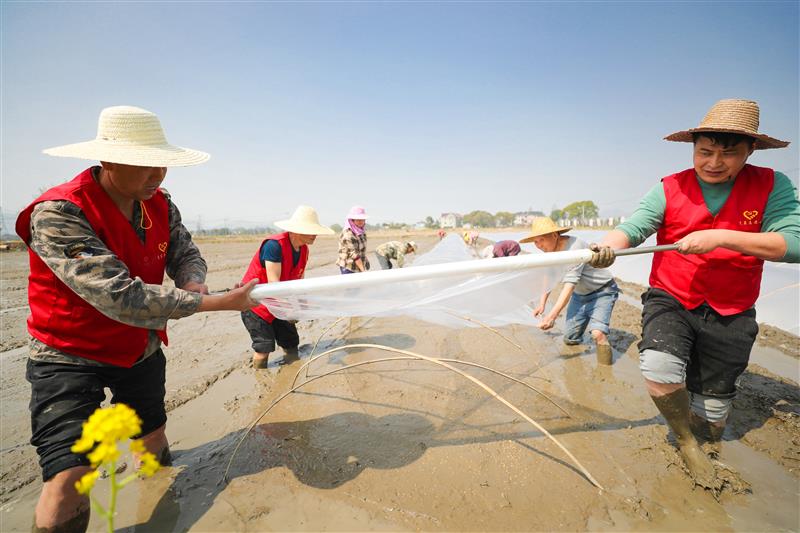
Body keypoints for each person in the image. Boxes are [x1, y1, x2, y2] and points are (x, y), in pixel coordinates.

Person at [15, 106, 258, 532]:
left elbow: (186, 252)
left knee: (152, 440)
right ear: (107, 161)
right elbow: (120, 295)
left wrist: (192, 279)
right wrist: (215, 303)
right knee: (69, 476)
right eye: (145, 165)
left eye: (162, 164)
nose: (158, 175)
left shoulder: (159, 204)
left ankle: (159, 503)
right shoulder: (59, 212)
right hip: (68, 355)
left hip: (138, 348)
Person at [591, 99, 799, 488]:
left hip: (733, 307)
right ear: (693, 148)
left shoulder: (773, 185)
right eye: (705, 151)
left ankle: (704, 433)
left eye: (728, 153)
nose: (714, 162)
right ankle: (685, 441)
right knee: (659, 372)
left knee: (714, 411)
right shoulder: (669, 187)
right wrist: (609, 247)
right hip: (672, 295)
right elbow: (636, 227)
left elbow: (794, 244)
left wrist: (721, 237)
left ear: (750, 151)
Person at [240, 206, 333, 368]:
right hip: (256, 304)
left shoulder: (304, 250)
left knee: (290, 343)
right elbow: (274, 284)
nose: (315, 234)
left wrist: (301, 305)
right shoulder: (274, 246)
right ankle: (260, 372)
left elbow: (299, 281)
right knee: (264, 346)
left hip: (280, 303)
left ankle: (291, 368)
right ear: (296, 230)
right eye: (310, 230)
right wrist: (289, 311)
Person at [521, 218, 618, 365]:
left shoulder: (575, 247)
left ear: (555, 235)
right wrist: (542, 304)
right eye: (535, 242)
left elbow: (569, 285)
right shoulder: (549, 252)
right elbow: (548, 276)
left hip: (602, 291)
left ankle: (606, 371)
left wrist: (552, 316)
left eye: (541, 240)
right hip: (580, 295)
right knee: (570, 338)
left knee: (598, 334)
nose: (539, 245)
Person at [336, 205, 370, 274]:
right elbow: (354, 254)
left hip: (358, 265)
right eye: (358, 219)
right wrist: (363, 271)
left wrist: (366, 260)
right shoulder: (348, 234)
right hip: (348, 267)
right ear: (352, 220)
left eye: (362, 219)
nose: (361, 221)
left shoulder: (361, 232)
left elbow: (361, 250)